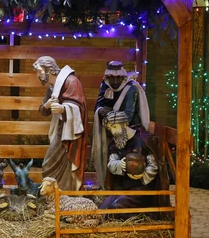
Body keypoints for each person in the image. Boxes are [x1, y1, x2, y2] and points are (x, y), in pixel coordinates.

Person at [92, 61, 150, 188]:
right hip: (114, 132)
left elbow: (128, 115)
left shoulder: (131, 88)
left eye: (118, 78)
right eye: (112, 78)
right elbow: (100, 104)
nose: (115, 81)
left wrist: (112, 116)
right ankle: (111, 187)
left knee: (131, 160)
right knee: (112, 158)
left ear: (122, 77)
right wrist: (101, 110)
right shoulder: (105, 86)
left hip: (130, 132)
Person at [34, 56, 87, 191]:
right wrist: (46, 106)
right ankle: (53, 194)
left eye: (39, 71)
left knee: (54, 163)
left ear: (49, 70)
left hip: (70, 131)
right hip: (59, 129)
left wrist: (64, 109)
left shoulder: (71, 81)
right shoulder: (52, 88)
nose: (38, 75)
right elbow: (43, 111)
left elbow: (80, 107)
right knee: (49, 164)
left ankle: (65, 194)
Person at [98, 111, 161, 219]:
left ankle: (144, 217)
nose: (113, 132)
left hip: (142, 190)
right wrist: (120, 165)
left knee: (115, 209)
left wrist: (142, 175)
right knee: (102, 211)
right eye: (110, 128)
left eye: (114, 127)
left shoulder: (143, 139)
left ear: (124, 124)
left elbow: (154, 165)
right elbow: (111, 163)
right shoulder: (116, 143)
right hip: (124, 188)